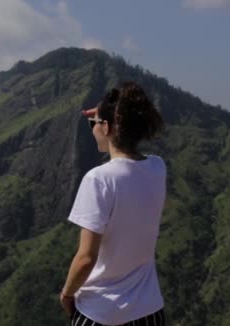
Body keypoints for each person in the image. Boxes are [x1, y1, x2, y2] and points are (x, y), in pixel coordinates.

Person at [60, 82, 166, 326]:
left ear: (106, 127)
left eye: (94, 124)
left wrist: (67, 294)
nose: (92, 129)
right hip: (149, 312)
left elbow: (86, 257)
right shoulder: (157, 168)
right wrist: (105, 114)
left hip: (102, 314)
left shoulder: (99, 179)